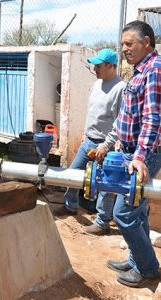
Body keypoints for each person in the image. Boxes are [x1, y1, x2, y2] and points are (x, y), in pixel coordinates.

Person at [99, 20, 160, 288]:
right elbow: (128, 115)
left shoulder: (154, 69)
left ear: (147, 42)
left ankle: (147, 268)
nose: (124, 48)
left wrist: (139, 157)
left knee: (124, 213)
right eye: (123, 44)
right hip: (128, 151)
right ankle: (138, 259)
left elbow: (152, 117)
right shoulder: (139, 70)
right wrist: (113, 141)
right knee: (137, 212)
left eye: (129, 43)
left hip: (141, 154)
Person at [53, 48, 126, 236]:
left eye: (99, 66)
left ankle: (102, 223)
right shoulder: (96, 85)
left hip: (105, 146)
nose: (95, 69)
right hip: (89, 141)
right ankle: (70, 206)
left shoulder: (120, 88)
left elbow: (120, 122)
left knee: (105, 185)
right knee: (72, 174)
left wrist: (107, 145)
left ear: (111, 66)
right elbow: (93, 113)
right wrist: (85, 133)